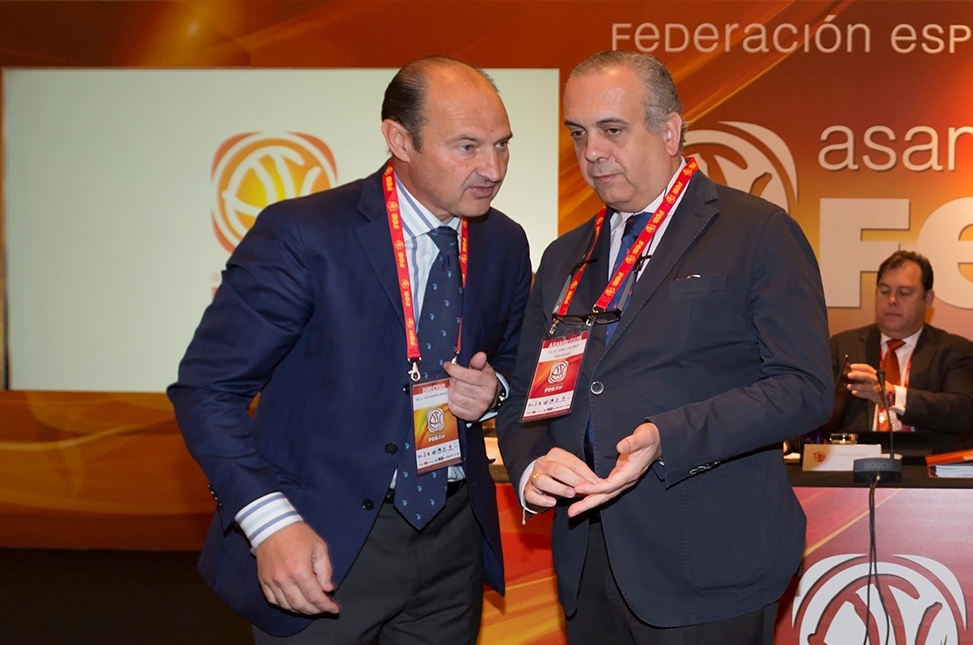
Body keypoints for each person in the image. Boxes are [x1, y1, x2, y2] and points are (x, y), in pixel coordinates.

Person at [168, 56, 531, 643]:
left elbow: (515, 361)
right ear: (398, 139)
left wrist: (496, 392)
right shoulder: (304, 234)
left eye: (502, 145)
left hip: (453, 542)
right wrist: (270, 523)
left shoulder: (505, 242)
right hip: (323, 543)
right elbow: (208, 391)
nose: (492, 168)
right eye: (467, 147)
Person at [496, 50, 832, 644]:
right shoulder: (565, 256)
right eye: (579, 134)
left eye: (613, 130)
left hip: (708, 561)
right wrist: (529, 468)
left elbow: (804, 389)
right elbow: (526, 395)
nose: (592, 152)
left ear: (670, 130)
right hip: (586, 563)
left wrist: (668, 437)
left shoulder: (756, 231)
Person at [831, 250, 973, 453]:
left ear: (928, 299)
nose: (892, 300)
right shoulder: (843, 345)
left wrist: (891, 396)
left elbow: (963, 413)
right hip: (854, 469)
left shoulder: (954, 351)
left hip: (926, 469)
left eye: (904, 292)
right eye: (884, 290)